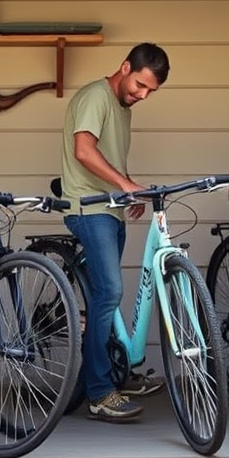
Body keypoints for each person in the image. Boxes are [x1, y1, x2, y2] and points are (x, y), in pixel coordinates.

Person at [60, 42, 171, 422]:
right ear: (125, 67)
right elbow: (84, 151)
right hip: (87, 210)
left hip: (109, 211)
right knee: (109, 293)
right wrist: (125, 185)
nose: (142, 95)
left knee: (106, 298)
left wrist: (126, 192)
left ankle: (117, 373)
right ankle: (100, 393)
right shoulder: (96, 96)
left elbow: (106, 160)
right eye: (140, 85)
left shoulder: (121, 106)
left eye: (150, 92)